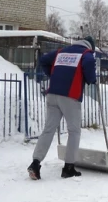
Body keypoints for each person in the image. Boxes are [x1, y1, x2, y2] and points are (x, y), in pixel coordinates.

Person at [27, 36, 97, 180]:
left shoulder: (61, 52)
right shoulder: (85, 54)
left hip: (52, 94)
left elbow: (44, 60)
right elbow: (89, 62)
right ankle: (68, 168)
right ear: (90, 47)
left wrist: (52, 75)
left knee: (48, 129)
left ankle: (35, 163)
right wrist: (91, 78)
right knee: (74, 131)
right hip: (70, 97)